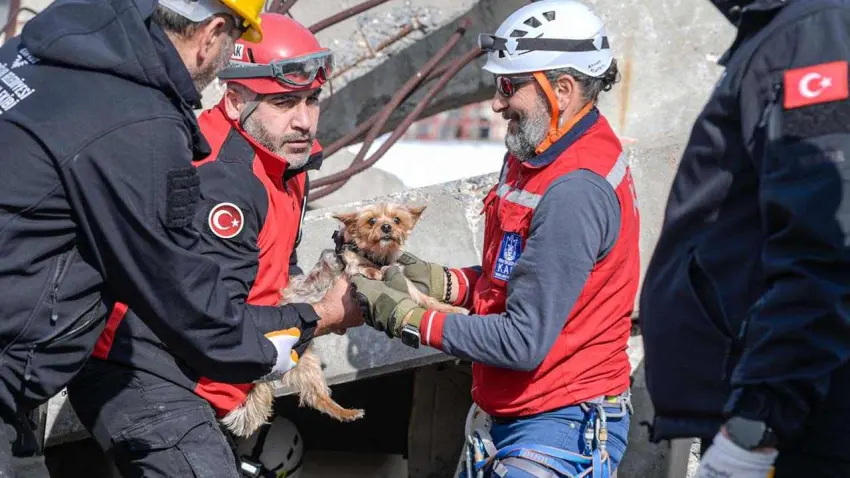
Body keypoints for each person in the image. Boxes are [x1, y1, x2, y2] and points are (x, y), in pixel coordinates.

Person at [0, 0, 359, 473]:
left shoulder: (44, 58)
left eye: (312, 100)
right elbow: (188, 302)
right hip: (146, 367)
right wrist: (317, 317)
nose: (304, 121)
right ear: (212, 34)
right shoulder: (158, 136)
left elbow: (263, 272)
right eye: (283, 102)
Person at [351, 1, 640, 476]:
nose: (496, 102)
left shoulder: (575, 190)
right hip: (516, 414)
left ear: (562, 90)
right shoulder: (535, 153)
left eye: (509, 86)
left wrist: (411, 319)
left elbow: (522, 340)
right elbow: (516, 277)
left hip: (558, 423)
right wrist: (447, 283)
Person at [638, 0, 850, 476]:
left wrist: (758, 423)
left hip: (799, 430)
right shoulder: (789, 32)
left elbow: (825, 247)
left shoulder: (811, 33)